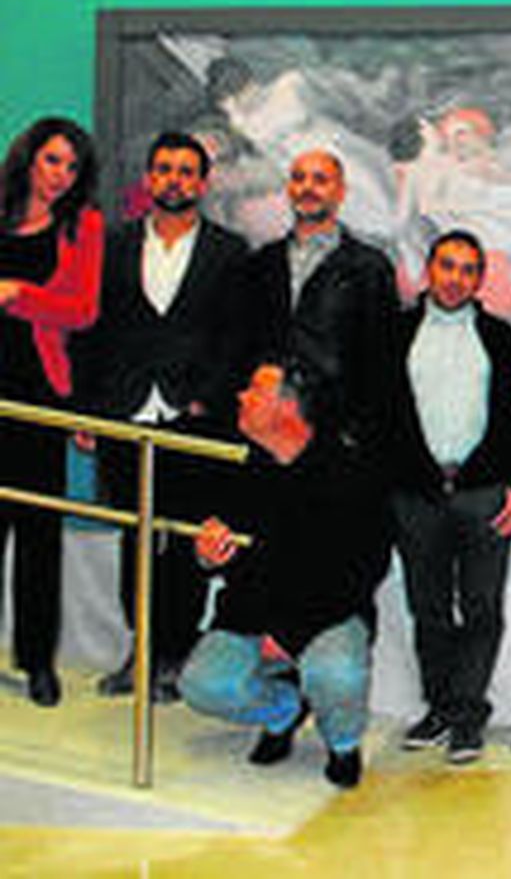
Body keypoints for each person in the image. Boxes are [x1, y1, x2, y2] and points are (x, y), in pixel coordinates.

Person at [75, 132, 249, 702]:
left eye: (186, 171)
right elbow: (91, 332)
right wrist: (88, 410)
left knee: (185, 537)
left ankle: (176, 652)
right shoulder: (115, 246)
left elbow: (235, 341)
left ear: (202, 183)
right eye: (164, 169)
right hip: (126, 414)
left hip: (191, 417)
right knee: (136, 538)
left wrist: (207, 398)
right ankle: (139, 651)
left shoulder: (229, 251)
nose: (174, 179)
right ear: (149, 179)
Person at [179, 361, 391, 788]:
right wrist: (207, 555)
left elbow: (360, 574)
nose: (241, 397)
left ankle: (343, 743)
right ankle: (283, 711)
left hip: (328, 616)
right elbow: (227, 552)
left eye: (255, 391)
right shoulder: (240, 467)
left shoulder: (350, 473)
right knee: (202, 686)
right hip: (251, 613)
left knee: (337, 674)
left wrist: (290, 633)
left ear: (289, 407)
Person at [391, 230, 511, 765]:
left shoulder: (501, 337)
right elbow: (380, 416)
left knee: (481, 609)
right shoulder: (394, 333)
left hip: (483, 494)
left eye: (468, 269)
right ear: (429, 270)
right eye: (447, 266)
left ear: (479, 279)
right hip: (416, 496)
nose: (456, 277)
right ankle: (440, 707)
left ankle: (469, 716)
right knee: (428, 609)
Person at [0, 116, 103, 707]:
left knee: (38, 533)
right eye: (52, 160)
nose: (61, 174)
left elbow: (82, 309)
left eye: (71, 165)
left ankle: (38, 660)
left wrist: (19, 295)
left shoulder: (81, 225)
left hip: (38, 392)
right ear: (30, 158)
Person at [238, 148, 399, 455]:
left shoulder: (369, 267)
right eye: (299, 178)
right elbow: (242, 341)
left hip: (336, 439)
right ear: (288, 189)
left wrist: (357, 432)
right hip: (263, 433)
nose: (308, 188)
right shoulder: (261, 264)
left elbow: (382, 361)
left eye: (320, 180)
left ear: (340, 192)